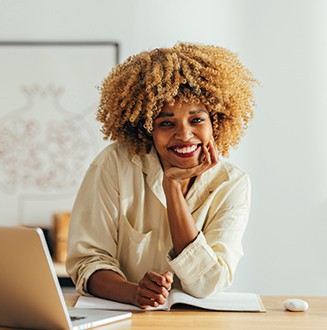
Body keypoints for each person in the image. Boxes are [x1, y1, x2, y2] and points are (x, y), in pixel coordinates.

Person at [66, 42, 257, 309]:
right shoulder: (114, 164)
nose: (184, 134)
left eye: (197, 120)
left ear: (217, 121)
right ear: (146, 130)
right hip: (122, 320)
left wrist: (172, 187)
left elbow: (208, 283)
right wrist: (133, 293)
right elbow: (87, 262)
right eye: (166, 123)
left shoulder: (232, 184)